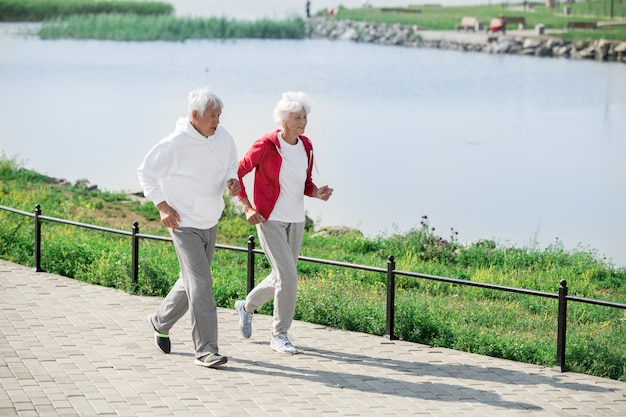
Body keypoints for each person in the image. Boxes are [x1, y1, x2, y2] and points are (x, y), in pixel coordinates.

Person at [137, 87, 240, 368]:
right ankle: (206, 350)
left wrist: (233, 180)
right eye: (211, 116)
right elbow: (145, 172)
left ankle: (160, 321)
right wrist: (162, 207)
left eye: (219, 115)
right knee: (202, 284)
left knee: (191, 282)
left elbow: (232, 164)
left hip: (210, 220)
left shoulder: (223, 136)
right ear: (194, 115)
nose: (217, 121)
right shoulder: (175, 144)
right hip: (184, 224)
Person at [234, 91, 333, 354]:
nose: (303, 121)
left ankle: (246, 307)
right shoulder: (266, 145)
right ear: (284, 120)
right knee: (288, 277)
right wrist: (247, 207)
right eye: (297, 117)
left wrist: (316, 193)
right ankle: (279, 335)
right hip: (269, 218)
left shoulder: (306, 146)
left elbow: (306, 183)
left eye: (305, 117)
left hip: (295, 220)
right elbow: (237, 173)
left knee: (282, 276)